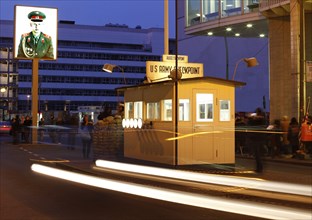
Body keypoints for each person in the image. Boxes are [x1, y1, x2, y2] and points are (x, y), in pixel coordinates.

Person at [247, 108, 266, 173]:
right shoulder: (263, 120)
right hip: (261, 138)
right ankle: (259, 168)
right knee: (258, 154)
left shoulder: (254, 120)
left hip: (255, 138)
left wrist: (251, 117)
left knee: (257, 154)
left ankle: (259, 168)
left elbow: (249, 124)